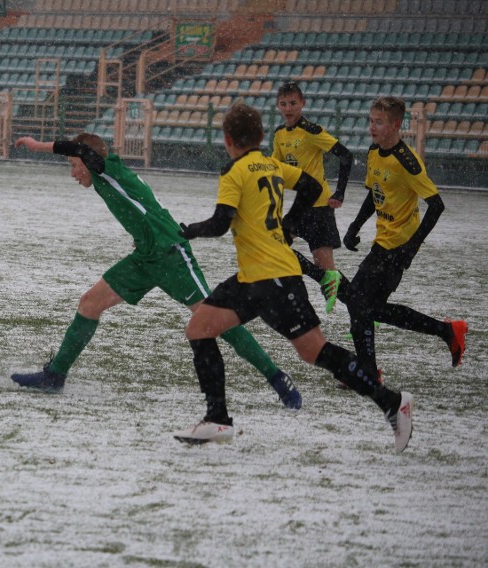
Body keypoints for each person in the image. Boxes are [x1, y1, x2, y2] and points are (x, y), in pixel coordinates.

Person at [173, 103, 413, 453]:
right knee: (199, 327)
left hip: (274, 278)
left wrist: (189, 231)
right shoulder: (271, 164)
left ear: (227, 139)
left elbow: (221, 223)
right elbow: (314, 186)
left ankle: (392, 402)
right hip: (254, 278)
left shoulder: (234, 171)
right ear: (259, 137)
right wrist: (288, 224)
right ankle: (218, 418)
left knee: (315, 351)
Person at [9, 133, 302, 410]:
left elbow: (82, 149)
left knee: (214, 320)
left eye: (74, 165)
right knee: (90, 303)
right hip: (146, 257)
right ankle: (56, 375)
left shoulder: (106, 169)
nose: (73, 172)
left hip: (170, 254)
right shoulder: (104, 175)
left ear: (87, 160)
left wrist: (38, 146)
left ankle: (277, 377)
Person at [292, 96, 466, 377]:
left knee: (359, 306)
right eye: (370, 121)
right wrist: (355, 227)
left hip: (397, 248)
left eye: (379, 122)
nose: (372, 127)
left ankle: (369, 371)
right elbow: (375, 195)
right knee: (368, 308)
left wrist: (411, 247)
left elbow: (437, 205)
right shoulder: (374, 152)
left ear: (396, 124)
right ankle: (446, 331)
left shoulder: (408, 162)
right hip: (382, 243)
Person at [272, 81, 353, 313]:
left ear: (303, 104)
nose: (288, 108)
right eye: (284, 104)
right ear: (278, 106)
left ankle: (364, 311)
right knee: (276, 246)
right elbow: (275, 168)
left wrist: (340, 192)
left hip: (318, 208)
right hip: (300, 208)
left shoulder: (312, 131)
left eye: (293, 103)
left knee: (329, 275)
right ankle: (364, 310)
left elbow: (346, 156)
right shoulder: (279, 134)